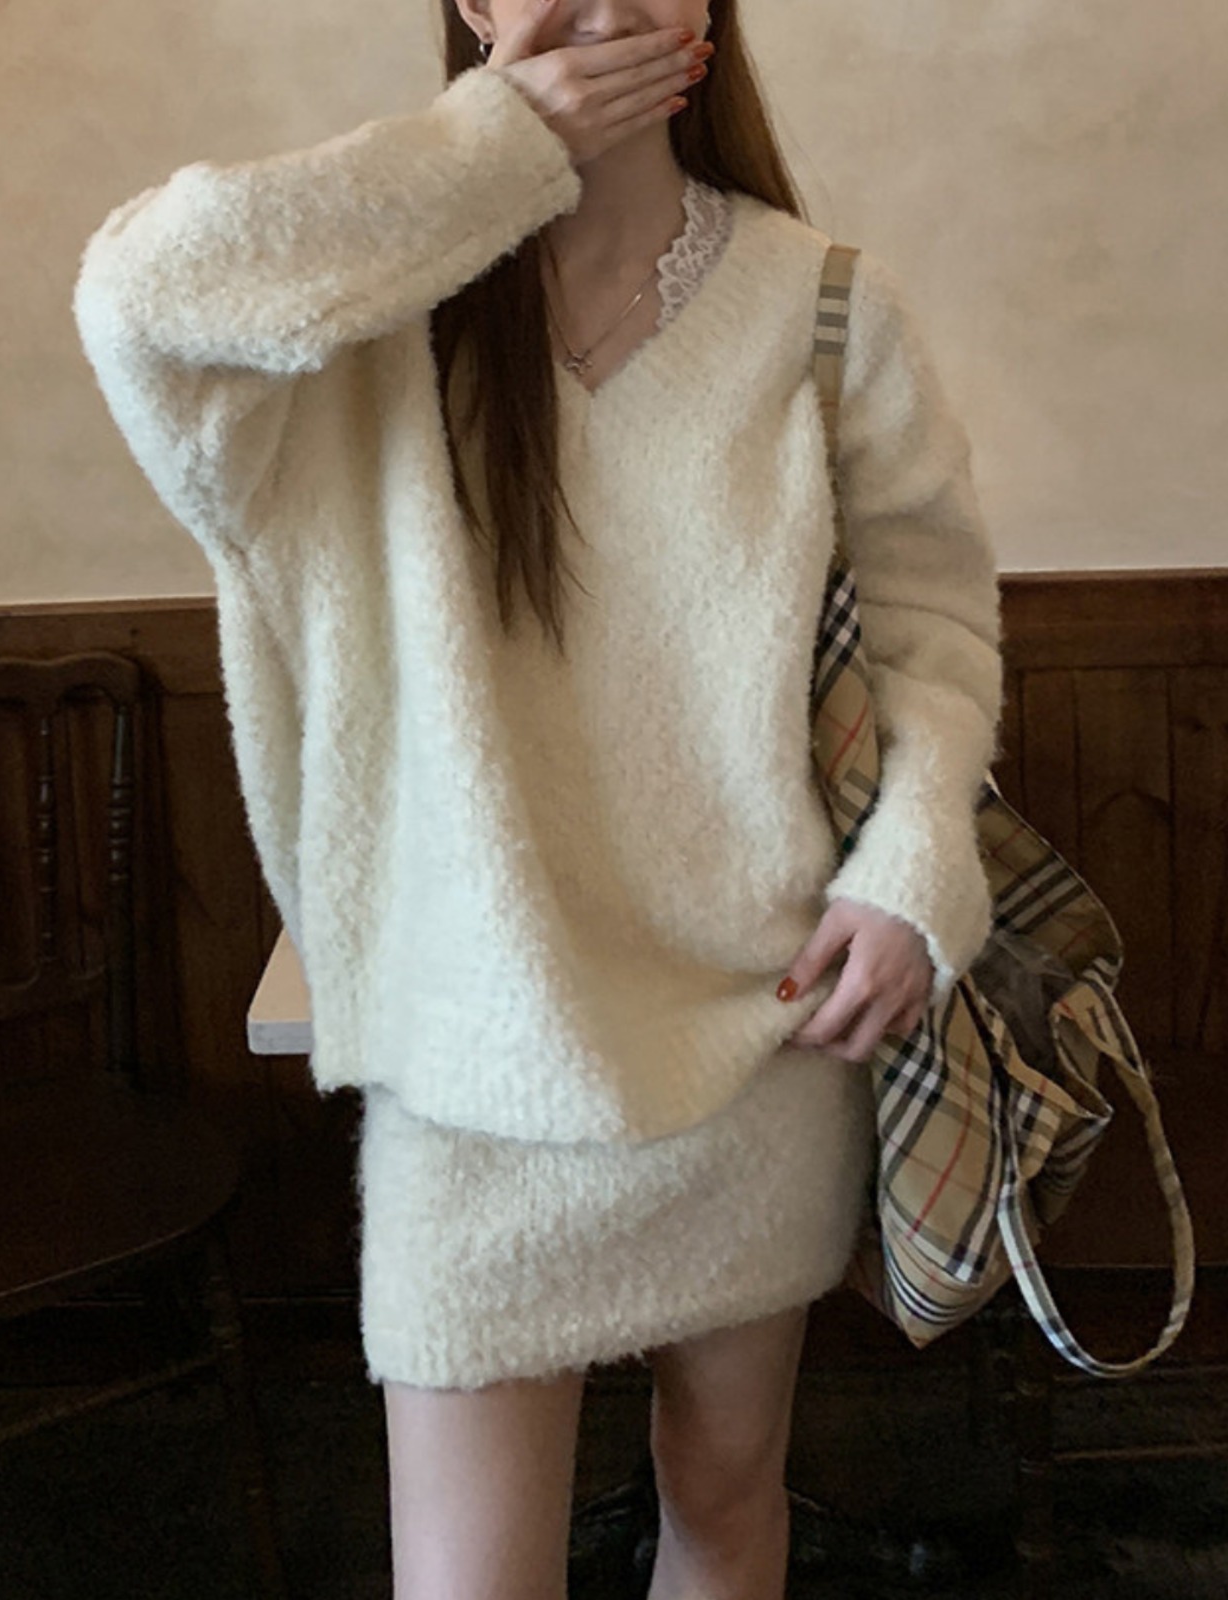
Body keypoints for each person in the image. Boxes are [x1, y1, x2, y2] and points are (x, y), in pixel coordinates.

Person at [73, 1, 1004, 1596]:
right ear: (473, 3)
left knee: (725, 1515)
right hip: (474, 1067)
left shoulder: (823, 304)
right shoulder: (358, 318)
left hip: (763, 1034)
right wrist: (494, 151)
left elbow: (936, 638)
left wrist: (914, 868)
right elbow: (137, 294)